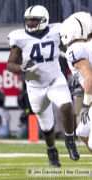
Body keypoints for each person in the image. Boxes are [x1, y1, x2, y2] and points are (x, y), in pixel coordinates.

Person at [7, 5, 79, 167]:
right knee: (46, 126)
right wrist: (21, 68)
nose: (30, 23)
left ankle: (70, 140)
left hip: (55, 80)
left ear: (44, 20)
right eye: (28, 20)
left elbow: (68, 50)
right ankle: (52, 151)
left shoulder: (56, 32)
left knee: (67, 107)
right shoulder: (20, 38)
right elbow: (10, 63)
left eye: (34, 20)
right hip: (35, 87)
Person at [60, 12, 92, 152]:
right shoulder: (87, 46)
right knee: (82, 132)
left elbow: (89, 77)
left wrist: (85, 104)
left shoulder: (75, 50)